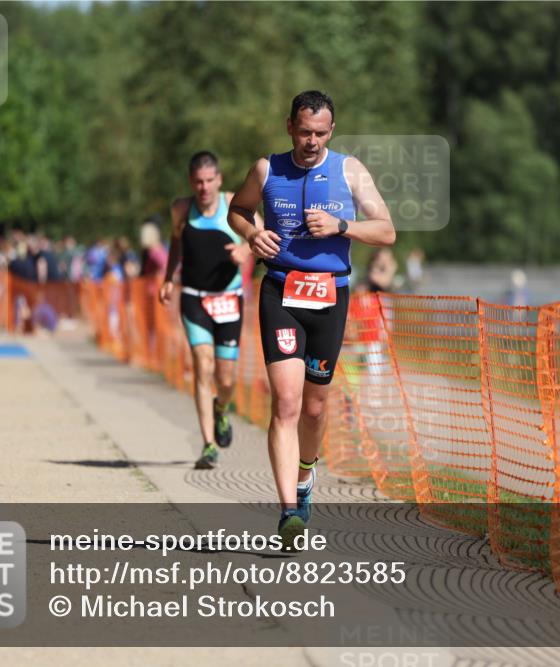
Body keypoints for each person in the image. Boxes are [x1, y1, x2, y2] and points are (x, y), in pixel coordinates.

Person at [227, 90, 395, 546]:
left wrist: (343, 227)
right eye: (304, 132)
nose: (312, 141)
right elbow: (237, 210)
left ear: (331, 131)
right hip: (280, 291)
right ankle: (287, 513)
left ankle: (306, 476)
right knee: (286, 402)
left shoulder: (349, 170)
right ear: (289, 127)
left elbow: (387, 230)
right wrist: (253, 232)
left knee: (316, 408)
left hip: (330, 297)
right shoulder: (267, 169)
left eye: (320, 133)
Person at [159, 151, 257, 470]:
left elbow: (264, 237)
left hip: (229, 298)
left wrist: (246, 249)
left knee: (225, 378)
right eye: (198, 182)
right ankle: (208, 445)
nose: (203, 188)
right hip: (194, 297)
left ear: (219, 180)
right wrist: (169, 277)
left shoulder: (233, 205)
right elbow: (176, 241)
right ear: (191, 182)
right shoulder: (181, 209)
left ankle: (221, 409)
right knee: (203, 365)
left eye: (209, 181)